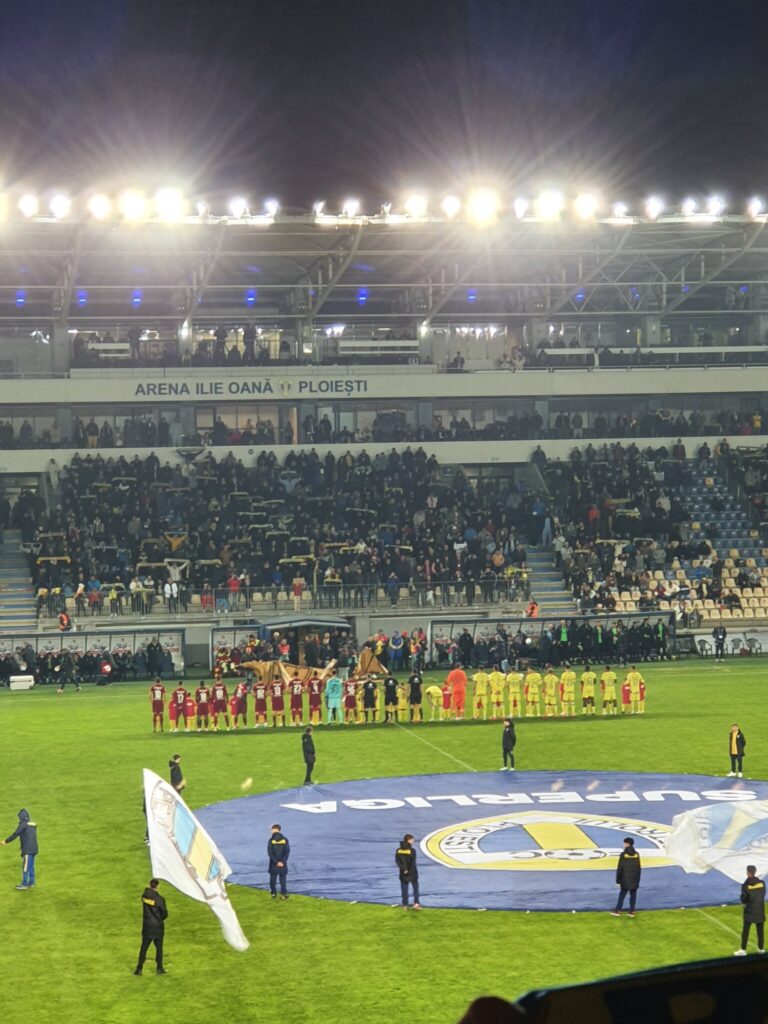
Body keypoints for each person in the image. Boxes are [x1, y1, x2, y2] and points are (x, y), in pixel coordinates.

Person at [134, 878, 168, 975]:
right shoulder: (160, 899)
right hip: (158, 927)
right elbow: (165, 914)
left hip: (147, 926)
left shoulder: (144, 897)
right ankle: (159, 968)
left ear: (150, 885)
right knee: (159, 948)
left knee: (144, 948)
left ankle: (139, 969)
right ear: (157, 886)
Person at [1, 809, 39, 890]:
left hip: (28, 849)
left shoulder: (23, 824)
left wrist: (6, 841)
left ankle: (24, 884)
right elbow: (29, 836)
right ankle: (32, 882)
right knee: (31, 866)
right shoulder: (33, 824)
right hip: (34, 848)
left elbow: (16, 834)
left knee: (25, 867)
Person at [734, 865, 766, 956]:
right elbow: (762, 894)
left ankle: (743, 950)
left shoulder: (745, 885)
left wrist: (743, 899)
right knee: (760, 931)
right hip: (760, 910)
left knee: (746, 931)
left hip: (749, 911)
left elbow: (744, 899)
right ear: (755, 872)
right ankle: (761, 949)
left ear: (748, 873)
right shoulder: (762, 883)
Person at [611, 836, 641, 917]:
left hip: (625, 879)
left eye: (624, 843)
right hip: (634, 879)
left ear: (627, 844)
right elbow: (638, 868)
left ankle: (618, 910)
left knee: (622, 894)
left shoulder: (623, 855)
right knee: (633, 895)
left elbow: (620, 868)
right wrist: (638, 880)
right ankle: (632, 911)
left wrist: (618, 880)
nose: (623, 844)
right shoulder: (637, 854)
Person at [395, 833, 420, 909]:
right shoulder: (412, 851)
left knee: (404, 889)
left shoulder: (398, 850)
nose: (413, 840)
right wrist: (409, 871)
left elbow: (397, 861)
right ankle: (416, 903)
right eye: (412, 839)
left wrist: (404, 869)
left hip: (402, 873)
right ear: (408, 840)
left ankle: (405, 905)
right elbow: (413, 863)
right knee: (415, 888)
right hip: (412, 873)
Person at [268, 824, 290, 899]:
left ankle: (273, 893)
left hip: (273, 864)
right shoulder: (285, 840)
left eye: (271, 829)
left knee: (273, 879)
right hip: (283, 864)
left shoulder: (271, 840)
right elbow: (287, 852)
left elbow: (270, 852)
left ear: (274, 829)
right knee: (283, 879)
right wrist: (282, 862)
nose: (271, 831)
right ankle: (283, 894)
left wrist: (276, 862)